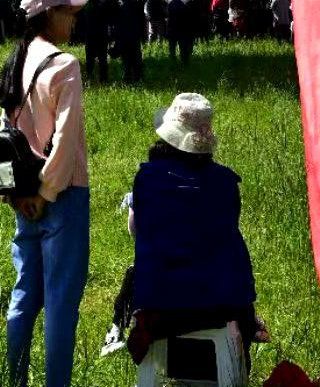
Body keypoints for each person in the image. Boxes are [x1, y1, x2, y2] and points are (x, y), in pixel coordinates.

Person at [0, 0, 94, 387]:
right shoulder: (65, 65)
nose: (73, 18)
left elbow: (6, 134)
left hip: (23, 197)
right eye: (68, 11)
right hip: (61, 195)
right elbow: (66, 140)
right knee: (60, 302)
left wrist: (20, 194)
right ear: (51, 16)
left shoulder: (18, 59)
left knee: (24, 294)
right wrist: (47, 193)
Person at [109, 95, 266, 367]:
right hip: (221, 304)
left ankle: (118, 333)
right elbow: (226, 231)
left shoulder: (147, 178)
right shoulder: (226, 182)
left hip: (161, 304)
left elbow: (136, 230)